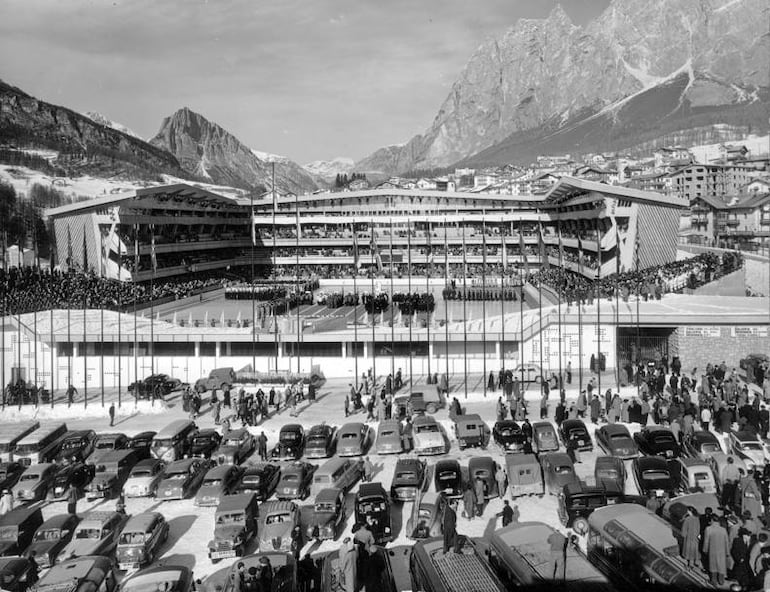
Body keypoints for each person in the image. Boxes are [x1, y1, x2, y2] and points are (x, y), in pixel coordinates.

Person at [702, 514, 729, 586]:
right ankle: (721, 580)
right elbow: (726, 541)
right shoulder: (723, 529)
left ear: (712, 520)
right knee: (721, 566)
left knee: (713, 566)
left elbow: (706, 541)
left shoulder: (708, 529)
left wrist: (705, 549)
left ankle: (713, 581)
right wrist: (727, 551)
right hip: (722, 551)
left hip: (712, 550)